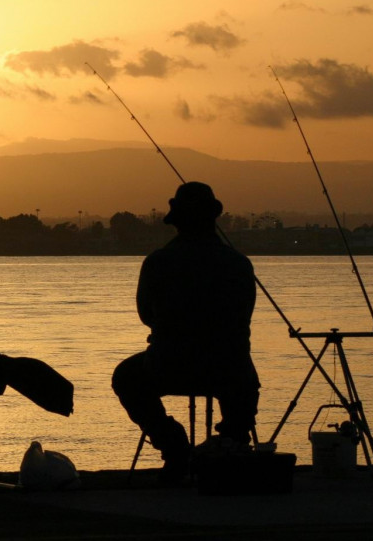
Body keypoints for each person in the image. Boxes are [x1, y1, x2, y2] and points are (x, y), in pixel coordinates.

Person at [111, 182, 259, 484]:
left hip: (170, 366)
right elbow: (244, 316)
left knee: (126, 377)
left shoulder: (158, 262)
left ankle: (174, 447)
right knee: (240, 372)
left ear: (177, 222)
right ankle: (232, 443)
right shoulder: (239, 264)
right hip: (230, 370)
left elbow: (146, 316)